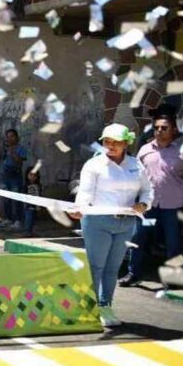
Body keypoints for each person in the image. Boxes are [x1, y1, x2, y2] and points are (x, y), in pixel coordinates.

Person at [71, 124, 152, 327]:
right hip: (98, 221)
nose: (111, 146)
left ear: (126, 143)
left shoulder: (136, 165)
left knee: (113, 267)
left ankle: (106, 305)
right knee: (96, 266)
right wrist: (79, 207)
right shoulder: (94, 165)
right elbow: (86, 192)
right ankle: (90, 306)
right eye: (107, 141)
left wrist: (143, 204)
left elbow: (148, 190)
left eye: (116, 142)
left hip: (126, 223)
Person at [122, 113, 183, 286]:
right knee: (138, 237)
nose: (159, 131)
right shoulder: (145, 149)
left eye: (164, 128)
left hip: (173, 207)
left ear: (173, 130)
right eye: (156, 127)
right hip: (148, 206)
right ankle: (133, 273)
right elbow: (135, 176)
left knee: (173, 242)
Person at [0, 129, 28, 229]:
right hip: (5, 175)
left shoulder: (21, 148)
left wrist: (12, 151)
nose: (9, 138)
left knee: (17, 198)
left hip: (15, 174)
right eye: (8, 136)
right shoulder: (5, 148)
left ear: (17, 138)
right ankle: (8, 219)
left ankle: (18, 220)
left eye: (12, 136)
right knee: (6, 198)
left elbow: (19, 161)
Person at [22, 169, 42, 235]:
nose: (32, 177)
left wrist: (39, 206)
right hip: (28, 206)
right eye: (30, 175)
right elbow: (23, 196)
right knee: (28, 219)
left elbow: (39, 195)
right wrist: (25, 204)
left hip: (35, 206)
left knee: (32, 220)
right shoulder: (26, 186)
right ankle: (27, 232)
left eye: (34, 175)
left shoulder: (38, 186)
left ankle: (30, 231)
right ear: (27, 175)